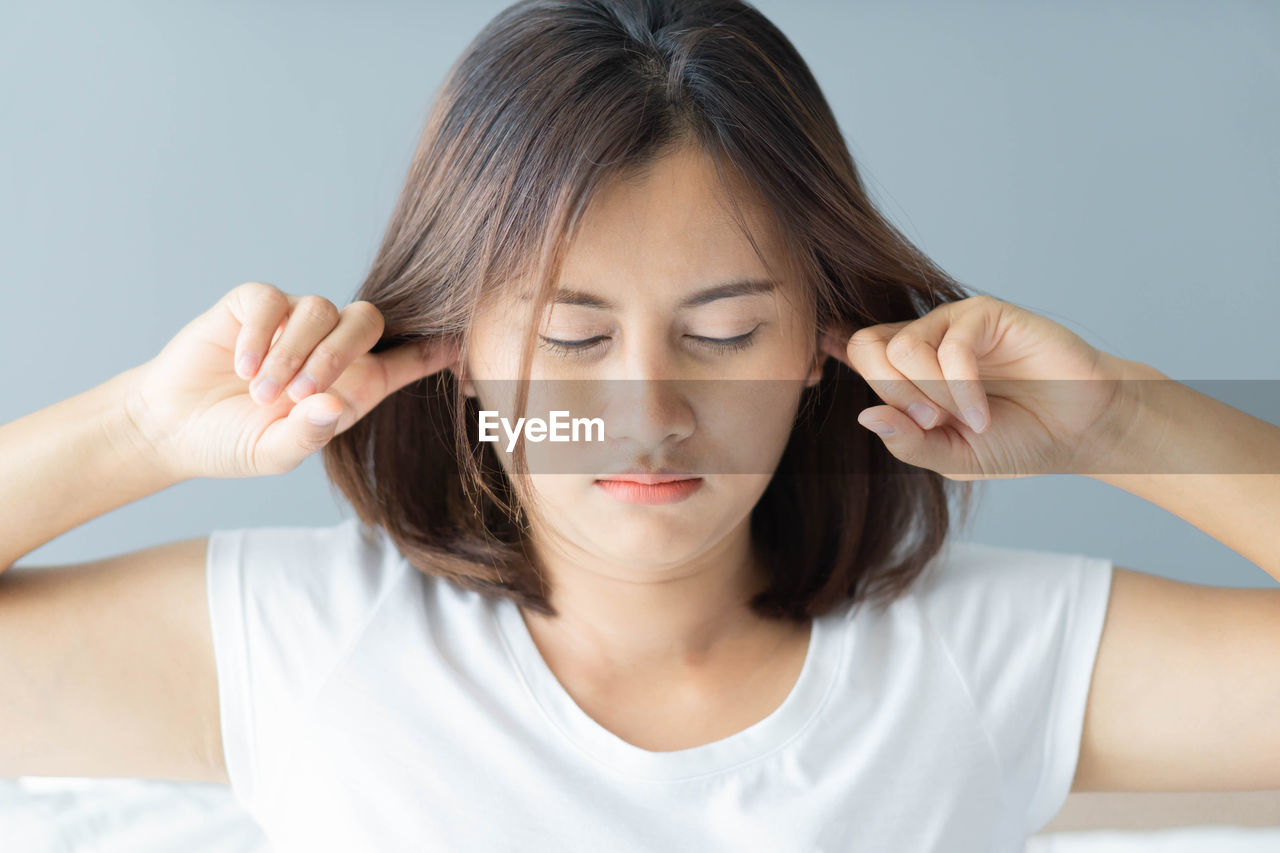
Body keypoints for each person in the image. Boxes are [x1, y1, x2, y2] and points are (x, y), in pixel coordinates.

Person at [2, 0, 1277, 850]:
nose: (648, 416)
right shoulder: (297, 644)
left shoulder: (984, 656)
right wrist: (143, 430)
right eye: (569, 339)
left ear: (816, 350)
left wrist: (1114, 417)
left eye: (723, 337)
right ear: (460, 354)